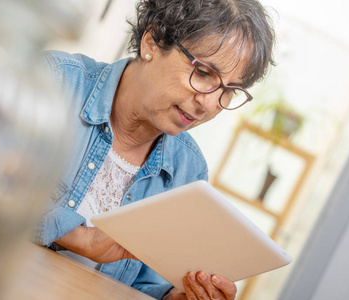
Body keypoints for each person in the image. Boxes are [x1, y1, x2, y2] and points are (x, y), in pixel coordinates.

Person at [35, 0, 275, 299]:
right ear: (152, 41)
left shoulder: (189, 169)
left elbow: (143, 285)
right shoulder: (53, 82)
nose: (210, 105)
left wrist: (177, 296)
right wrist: (73, 236)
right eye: (203, 73)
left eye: (228, 91)